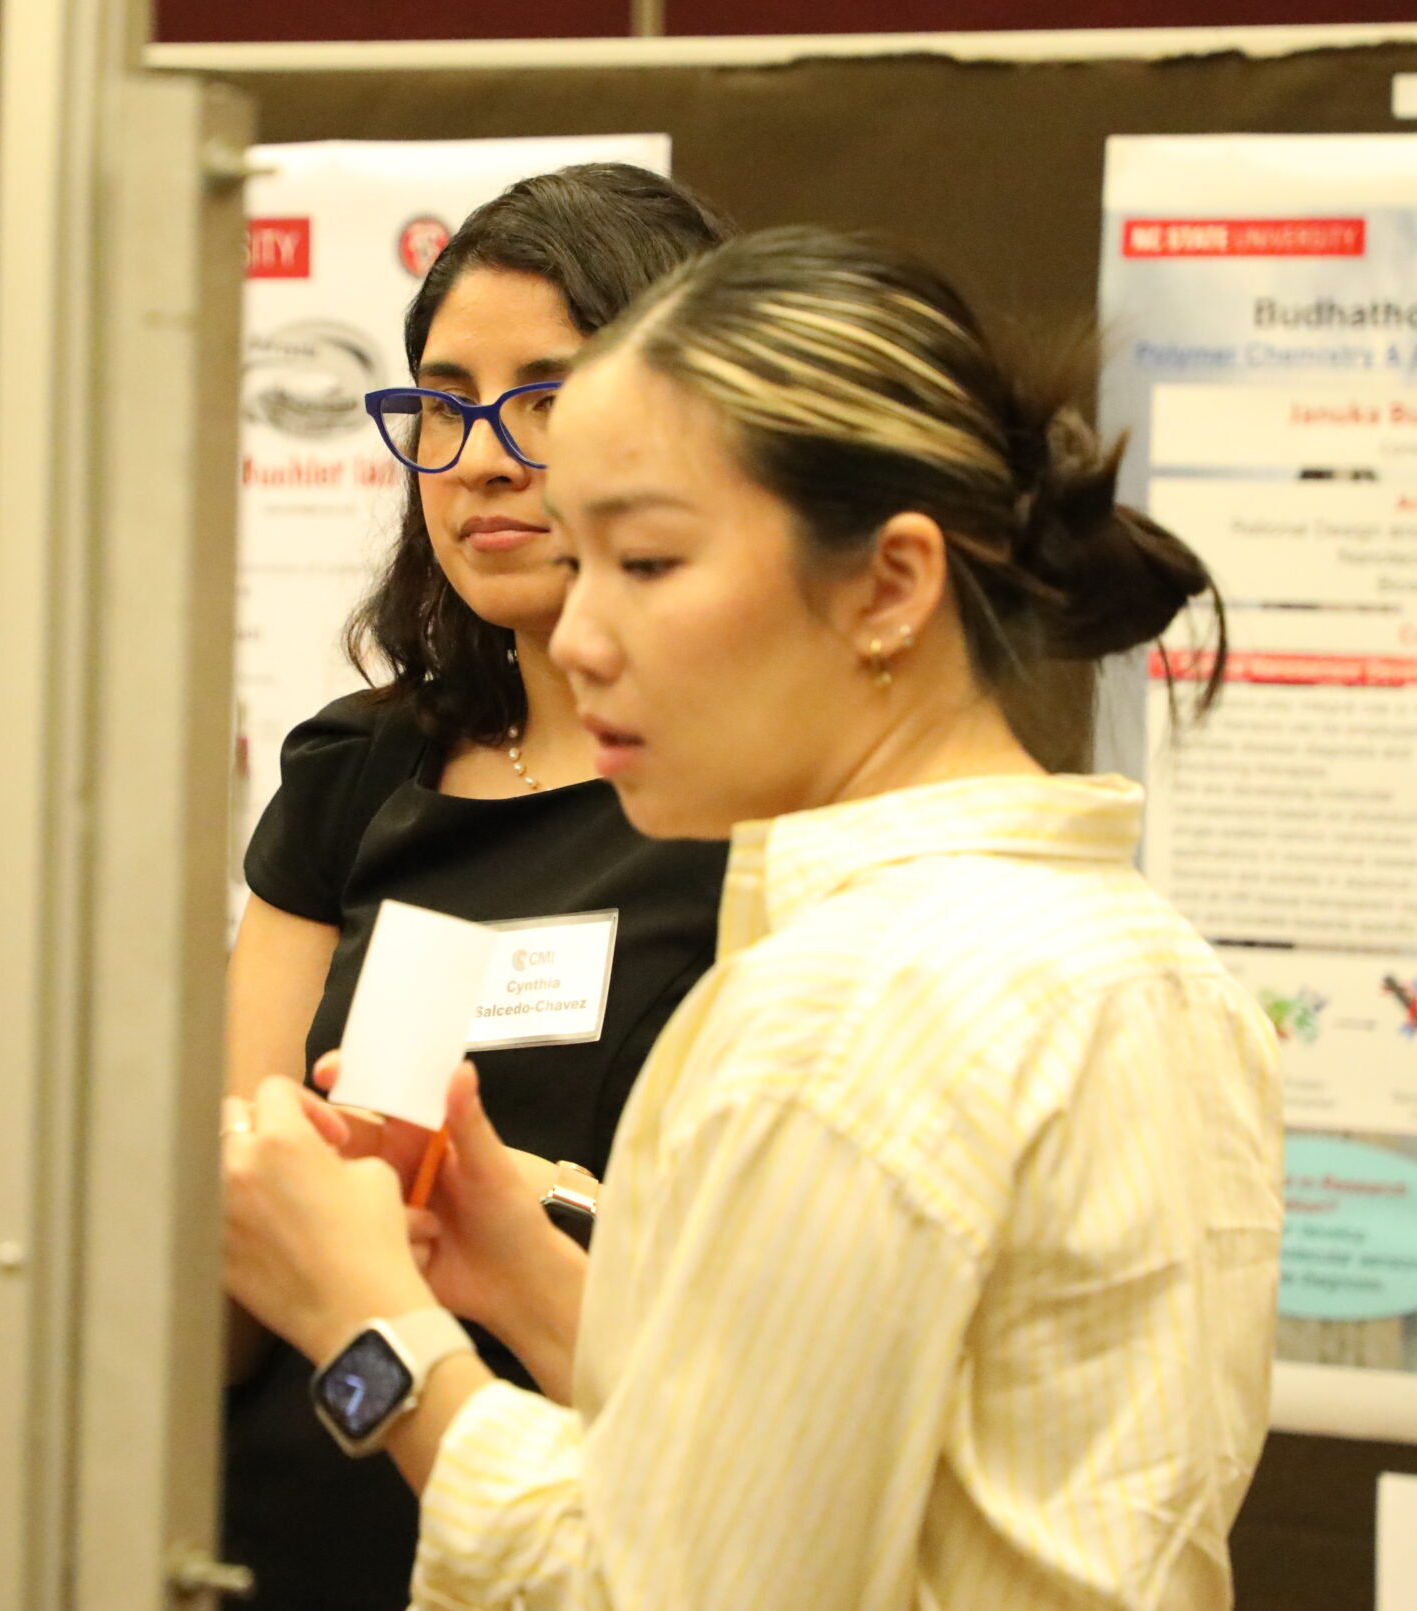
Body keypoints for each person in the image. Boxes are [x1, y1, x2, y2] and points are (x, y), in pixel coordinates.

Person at [222, 228, 1285, 1611]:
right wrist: (527, 1264)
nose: (585, 636)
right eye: (580, 563)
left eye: (648, 563)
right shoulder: (1134, 955)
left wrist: (369, 1327)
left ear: (889, 584)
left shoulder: (841, 1011)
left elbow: (658, 1581)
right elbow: (850, 1456)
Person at [221, 164, 734, 1611]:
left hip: (605, 1534)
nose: (482, 457)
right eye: (443, 403)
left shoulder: (758, 811)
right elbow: (224, 1267)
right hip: (300, 1514)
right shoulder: (355, 770)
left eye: (545, 398)